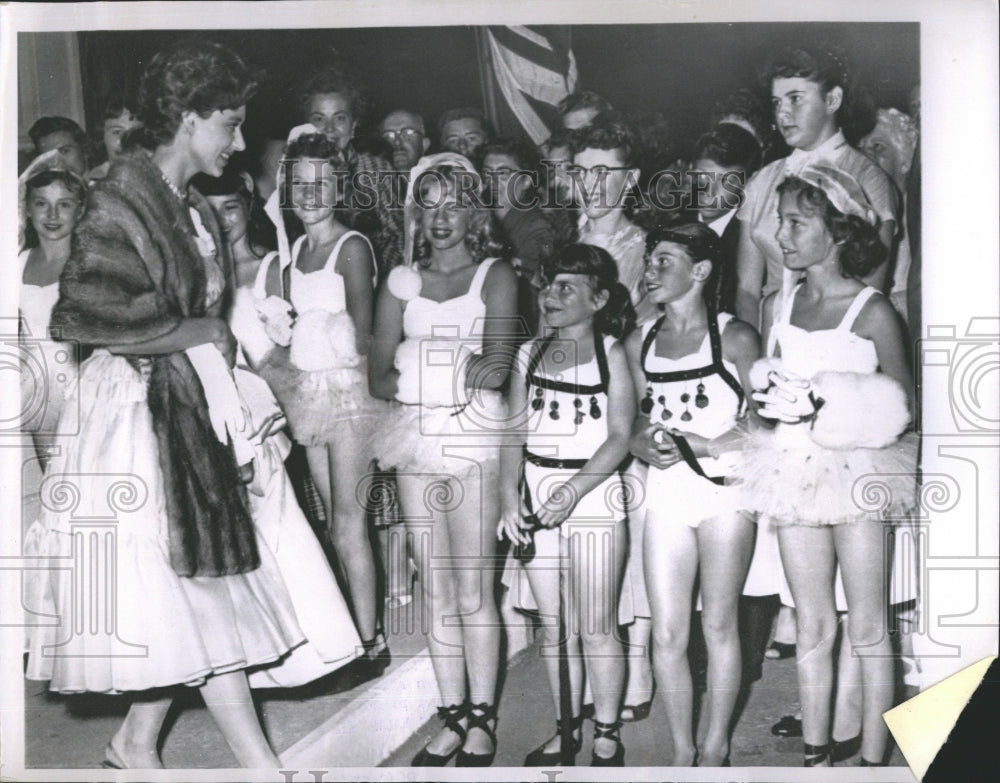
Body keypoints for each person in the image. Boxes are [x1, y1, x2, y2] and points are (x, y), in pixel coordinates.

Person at [25, 39, 347, 770]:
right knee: (197, 594)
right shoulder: (115, 195)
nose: (239, 142)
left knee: (199, 597)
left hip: (187, 406)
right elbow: (80, 313)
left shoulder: (190, 203)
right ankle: (260, 768)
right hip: (137, 417)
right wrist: (193, 331)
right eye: (228, 123)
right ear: (189, 118)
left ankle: (135, 742)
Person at [739, 163, 915, 767]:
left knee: (867, 624)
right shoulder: (781, 306)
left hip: (860, 474)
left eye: (796, 222)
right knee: (812, 622)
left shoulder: (872, 311)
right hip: (793, 470)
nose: (781, 235)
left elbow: (902, 408)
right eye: (780, 221)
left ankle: (871, 758)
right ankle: (815, 755)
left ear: (838, 231)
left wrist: (827, 400)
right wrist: (765, 403)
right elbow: (763, 395)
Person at [369, 154, 519, 766]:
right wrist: (433, 375)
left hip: (475, 438)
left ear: (474, 211)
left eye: (452, 204)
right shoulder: (400, 281)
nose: (439, 218)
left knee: (474, 588)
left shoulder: (495, 275)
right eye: (428, 205)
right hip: (416, 439)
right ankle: (452, 711)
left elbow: (498, 367)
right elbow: (378, 376)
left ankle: (483, 714)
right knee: (435, 588)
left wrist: (426, 365)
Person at [254, 130, 389, 679]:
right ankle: (353, 632)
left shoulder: (350, 247)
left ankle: (370, 639)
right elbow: (287, 345)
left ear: (339, 188)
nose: (310, 194)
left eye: (321, 183)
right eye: (300, 183)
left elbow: (366, 336)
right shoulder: (291, 258)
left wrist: (314, 332)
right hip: (311, 397)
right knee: (334, 520)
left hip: (352, 396)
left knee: (351, 521)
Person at [625, 223, 761, 766]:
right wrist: (640, 443)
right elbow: (634, 417)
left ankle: (714, 745)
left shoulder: (736, 336)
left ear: (700, 271)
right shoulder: (643, 339)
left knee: (719, 624)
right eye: (650, 261)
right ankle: (682, 752)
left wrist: (709, 442)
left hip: (726, 493)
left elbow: (769, 424)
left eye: (665, 261)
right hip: (667, 493)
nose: (650, 271)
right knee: (667, 632)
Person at [501, 243, 636, 767]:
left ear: (598, 299)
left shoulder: (610, 351)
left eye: (567, 287)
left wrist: (574, 490)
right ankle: (566, 728)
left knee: (597, 624)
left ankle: (606, 730)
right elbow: (512, 435)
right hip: (537, 496)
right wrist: (508, 499)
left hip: (594, 493)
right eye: (548, 284)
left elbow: (620, 436)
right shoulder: (527, 353)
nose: (551, 295)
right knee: (554, 627)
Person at [736, 44, 899, 328]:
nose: (782, 115)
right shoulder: (762, 180)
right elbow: (746, 292)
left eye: (795, 99)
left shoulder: (869, 179)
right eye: (777, 103)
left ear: (833, 100)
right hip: (769, 337)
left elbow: (871, 293)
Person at [300, 64, 404, 277]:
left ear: (354, 124)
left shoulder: (376, 170)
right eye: (319, 119)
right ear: (307, 124)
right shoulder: (295, 173)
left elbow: (395, 240)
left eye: (339, 118)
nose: (329, 129)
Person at [481, 137, 558, 334]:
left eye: (504, 173)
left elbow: (533, 297)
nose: (493, 181)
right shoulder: (479, 222)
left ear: (525, 181)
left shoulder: (537, 228)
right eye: (487, 173)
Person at [687, 123, 763, 314]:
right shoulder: (669, 223)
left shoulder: (753, 241)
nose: (709, 192)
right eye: (702, 177)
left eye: (726, 182)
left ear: (747, 184)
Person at [858, 108, 919, 324]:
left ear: (905, 161)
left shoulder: (924, 217)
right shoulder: (855, 212)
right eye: (860, 148)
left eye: (878, 147)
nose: (865, 156)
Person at [86, 95, 141, 181]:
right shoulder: (94, 181)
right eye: (117, 132)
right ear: (102, 135)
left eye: (134, 133)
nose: (125, 140)